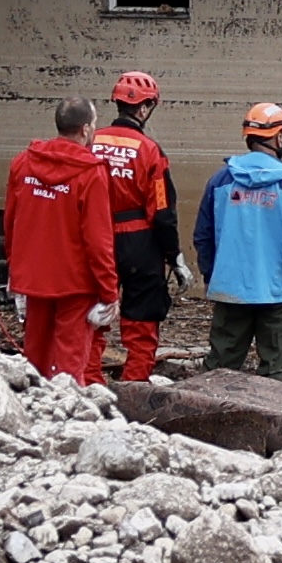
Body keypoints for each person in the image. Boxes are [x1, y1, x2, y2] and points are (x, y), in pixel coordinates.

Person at [191, 104, 282, 379]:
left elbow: (203, 236)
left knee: (219, 373)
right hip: (281, 293)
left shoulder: (221, 180)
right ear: (280, 136)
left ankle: (213, 421)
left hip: (230, 291)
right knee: (277, 374)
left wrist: (211, 276)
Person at [0, 100, 118, 384]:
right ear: (87, 129)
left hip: (34, 278)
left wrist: (16, 272)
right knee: (69, 366)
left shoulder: (24, 162)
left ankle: (32, 416)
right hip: (75, 283)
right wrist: (109, 291)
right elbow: (98, 239)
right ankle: (66, 420)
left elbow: (10, 221)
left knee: (35, 360)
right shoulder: (91, 172)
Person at [85, 71, 180, 382]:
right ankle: (134, 386)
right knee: (141, 322)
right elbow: (162, 210)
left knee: (93, 314)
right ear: (144, 108)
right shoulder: (149, 150)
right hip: (140, 242)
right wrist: (173, 254)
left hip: (95, 238)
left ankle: (89, 383)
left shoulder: (90, 142)